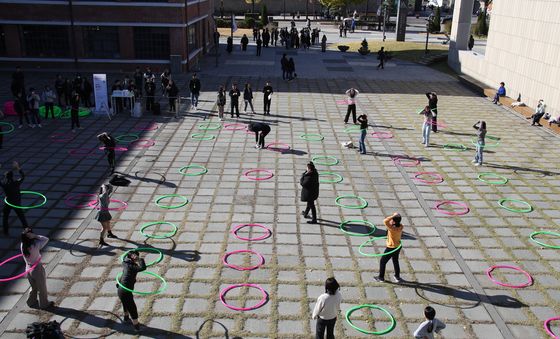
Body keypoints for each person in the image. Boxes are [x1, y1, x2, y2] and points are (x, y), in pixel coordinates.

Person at [21, 228, 54, 309]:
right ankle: (44, 304)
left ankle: (30, 302)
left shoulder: (22, 245)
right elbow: (46, 239)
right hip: (37, 269)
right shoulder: (35, 245)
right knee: (42, 288)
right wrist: (35, 236)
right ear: (30, 236)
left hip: (28, 269)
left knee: (33, 286)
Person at [117, 250, 146, 332]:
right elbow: (143, 267)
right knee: (132, 308)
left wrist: (130, 255)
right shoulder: (132, 267)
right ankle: (137, 327)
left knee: (125, 303)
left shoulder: (125, 263)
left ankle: (126, 318)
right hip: (125, 291)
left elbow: (123, 272)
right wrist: (139, 259)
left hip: (120, 289)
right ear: (133, 258)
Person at [374, 212, 404, 283]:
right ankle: (397, 277)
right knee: (395, 261)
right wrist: (395, 217)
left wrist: (392, 216)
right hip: (397, 246)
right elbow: (391, 222)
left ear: (393, 220)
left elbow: (385, 221)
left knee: (382, 262)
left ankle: (381, 278)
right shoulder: (401, 226)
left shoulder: (391, 228)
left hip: (391, 247)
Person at [1, 162, 29, 235]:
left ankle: (5, 231)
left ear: (6, 177)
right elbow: (23, 176)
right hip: (16, 202)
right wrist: (18, 168)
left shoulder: (5, 185)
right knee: (22, 217)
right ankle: (27, 230)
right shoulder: (17, 183)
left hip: (8, 203)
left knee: (5, 217)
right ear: (12, 176)